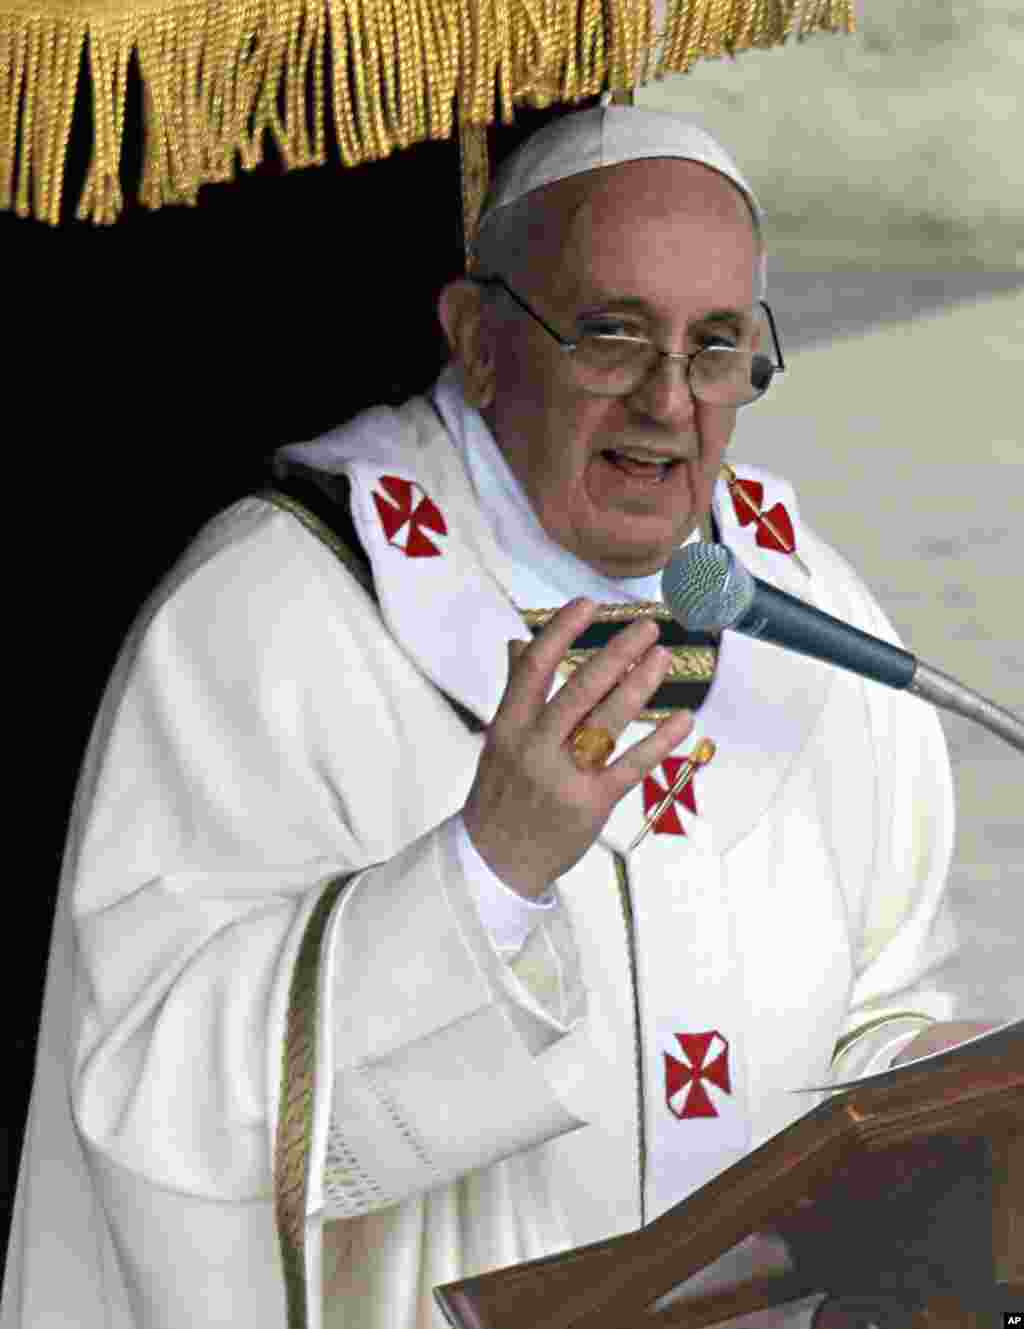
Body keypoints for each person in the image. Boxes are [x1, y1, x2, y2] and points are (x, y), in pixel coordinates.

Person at [2, 106, 997, 1329]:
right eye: (611, 334)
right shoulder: (276, 617)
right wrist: (488, 872)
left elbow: (878, 1010)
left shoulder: (813, 610)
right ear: (478, 340)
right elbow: (150, 1093)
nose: (668, 404)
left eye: (719, 347)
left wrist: (941, 1098)